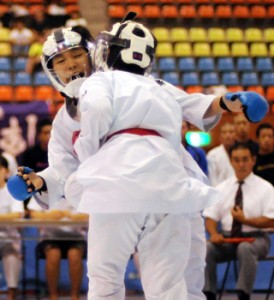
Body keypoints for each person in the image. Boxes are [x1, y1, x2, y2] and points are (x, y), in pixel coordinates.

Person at [7, 15, 269, 300]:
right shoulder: (63, 122)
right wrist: (37, 181)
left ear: (93, 55)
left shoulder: (139, 83)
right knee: (162, 282)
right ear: (51, 72)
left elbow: (195, 104)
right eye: (60, 61)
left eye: (77, 55)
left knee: (174, 278)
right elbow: (62, 170)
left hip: (131, 185)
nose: (70, 64)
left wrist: (231, 101)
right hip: (162, 188)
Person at [203, 142, 274, 300]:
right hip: (228, 238)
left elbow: (271, 221)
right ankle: (209, 294)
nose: (241, 164)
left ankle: (243, 295)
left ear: (253, 160)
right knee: (208, 248)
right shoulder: (222, 188)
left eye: (245, 159)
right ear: (231, 161)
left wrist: (245, 220)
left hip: (257, 238)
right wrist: (214, 234)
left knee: (244, 248)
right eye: (236, 160)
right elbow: (210, 217)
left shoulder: (266, 188)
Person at [28, 197, 88, 300]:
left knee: (74, 254)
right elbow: (32, 213)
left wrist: (73, 217)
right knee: (53, 254)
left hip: (76, 237)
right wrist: (50, 216)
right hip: (50, 237)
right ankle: (53, 295)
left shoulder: (80, 189)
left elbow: (90, 214)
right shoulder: (42, 188)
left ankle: (75, 296)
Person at [0, 155, 24, 300]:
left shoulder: (13, 190)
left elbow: (17, 215)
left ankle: (11, 293)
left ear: (6, 171)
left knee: (12, 255)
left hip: (9, 239)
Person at [20, 118, 52, 214]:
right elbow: (24, 178)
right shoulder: (30, 154)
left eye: (51, 132)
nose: (49, 136)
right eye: (46, 133)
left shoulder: (61, 154)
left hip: (55, 192)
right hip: (34, 193)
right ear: (39, 135)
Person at [207, 122, 236, 186]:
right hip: (219, 192)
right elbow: (212, 180)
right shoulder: (212, 155)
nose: (228, 135)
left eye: (231, 132)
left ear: (236, 135)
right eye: (224, 132)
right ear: (220, 136)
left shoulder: (240, 153)